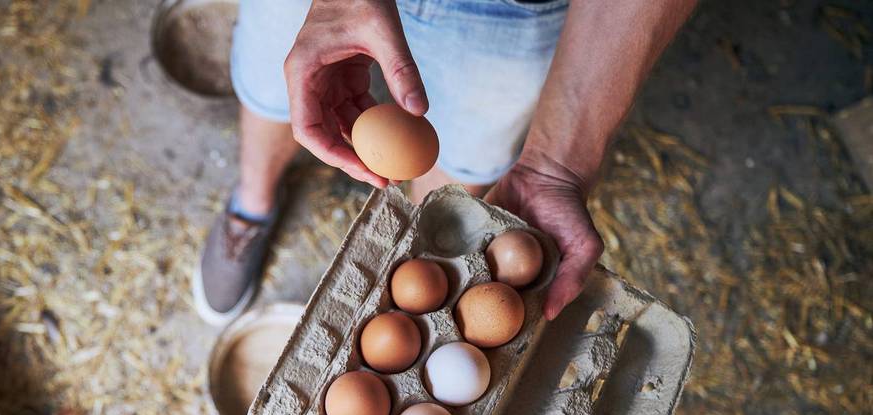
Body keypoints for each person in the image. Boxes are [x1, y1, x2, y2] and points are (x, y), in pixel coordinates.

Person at [193, 0, 696, 325]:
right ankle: (252, 205)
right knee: (281, 84)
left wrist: (557, 166)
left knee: (455, 167)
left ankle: (418, 276)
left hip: (511, 11)